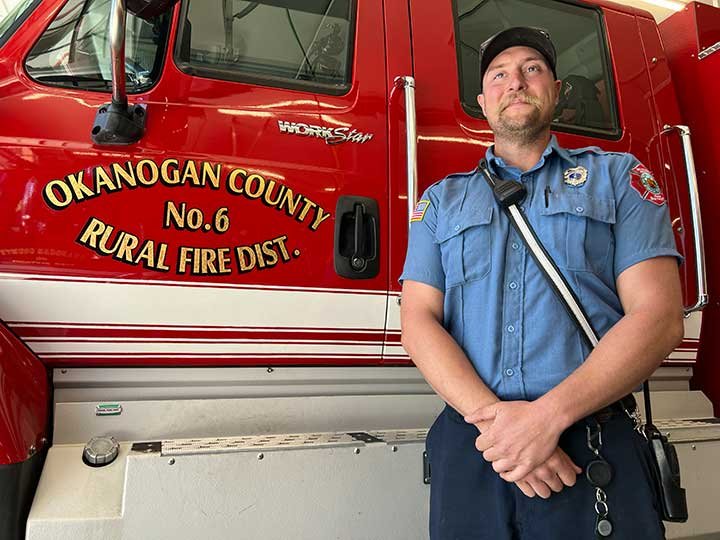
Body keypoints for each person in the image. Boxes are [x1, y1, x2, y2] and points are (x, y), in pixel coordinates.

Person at [400, 27, 684, 540]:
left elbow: (658, 317)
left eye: (531, 69)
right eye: (499, 75)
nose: (516, 82)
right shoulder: (440, 201)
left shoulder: (619, 179)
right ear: (483, 102)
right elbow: (418, 321)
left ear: (555, 91)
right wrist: (502, 428)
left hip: (591, 444)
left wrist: (547, 418)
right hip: (477, 446)